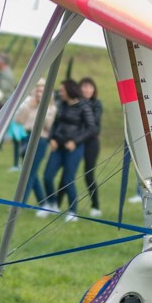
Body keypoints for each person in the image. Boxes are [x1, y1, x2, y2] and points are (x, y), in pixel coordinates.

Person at [42, 81, 92, 213]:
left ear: (70, 91)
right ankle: (52, 204)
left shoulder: (84, 107)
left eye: (62, 90)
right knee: (47, 176)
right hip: (57, 147)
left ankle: (72, 211)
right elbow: (55, 125)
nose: (60, 93)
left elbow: (91, 128)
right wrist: (51, 139)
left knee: (68, 179)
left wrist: (75, 141)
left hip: (74, 149)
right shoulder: (61, 105)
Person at [76, 77, 106, 214]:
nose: (87, 89)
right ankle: (56, 204)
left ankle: (95, 206)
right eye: (84, 86)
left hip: (91, 143)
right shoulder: (75, 103)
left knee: (89, 174)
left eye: (90, 87)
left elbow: (94, 124)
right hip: (75, 142)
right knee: (68, 174)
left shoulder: (97, 104)